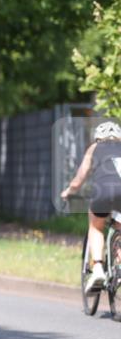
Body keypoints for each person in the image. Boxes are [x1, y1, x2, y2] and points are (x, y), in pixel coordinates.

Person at [61, 121, 121, 293]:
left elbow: (80, 177)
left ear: (98, 137)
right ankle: (119, 268)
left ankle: (97, 269)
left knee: (96, 226)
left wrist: (68, 191)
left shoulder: (94, 148)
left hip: (103, 194)